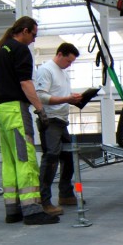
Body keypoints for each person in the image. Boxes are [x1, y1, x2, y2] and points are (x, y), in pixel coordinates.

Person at [0, 16, 59, 225]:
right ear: (25, 31)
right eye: (34, 35)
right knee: (26, 160)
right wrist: (40, 109)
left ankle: (13, 211)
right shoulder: (20, 50)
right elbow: (26, 84)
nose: (34, 40)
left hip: (1, 110)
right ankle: (32, 211)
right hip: (15, 111)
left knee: (10, 162)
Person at [35, 43, 82, 216]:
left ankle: (66, 194)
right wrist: (67, 99)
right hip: (51, 121)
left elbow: (60, 95)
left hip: (62, 121)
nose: (70, 65)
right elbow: (41, 96)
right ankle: (44, 201)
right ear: (60, 54)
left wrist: (73, 98)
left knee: (68, 158)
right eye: (68, 61)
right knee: (51, 158)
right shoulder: (46, 70)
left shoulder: (63, 73)